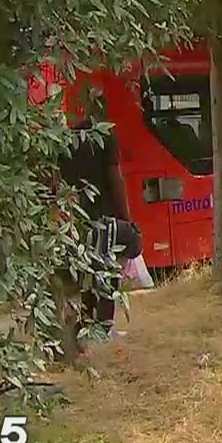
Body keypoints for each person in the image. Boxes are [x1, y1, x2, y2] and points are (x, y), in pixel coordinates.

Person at [59, 85, 143, 339]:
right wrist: (126, 218)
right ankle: (104, 328)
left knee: (86, 272)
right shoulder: (107, 135)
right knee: (109, 267)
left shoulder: (68, 139)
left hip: (77, 220)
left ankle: (85, 326)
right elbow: (115, 177)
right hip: (104, 217)